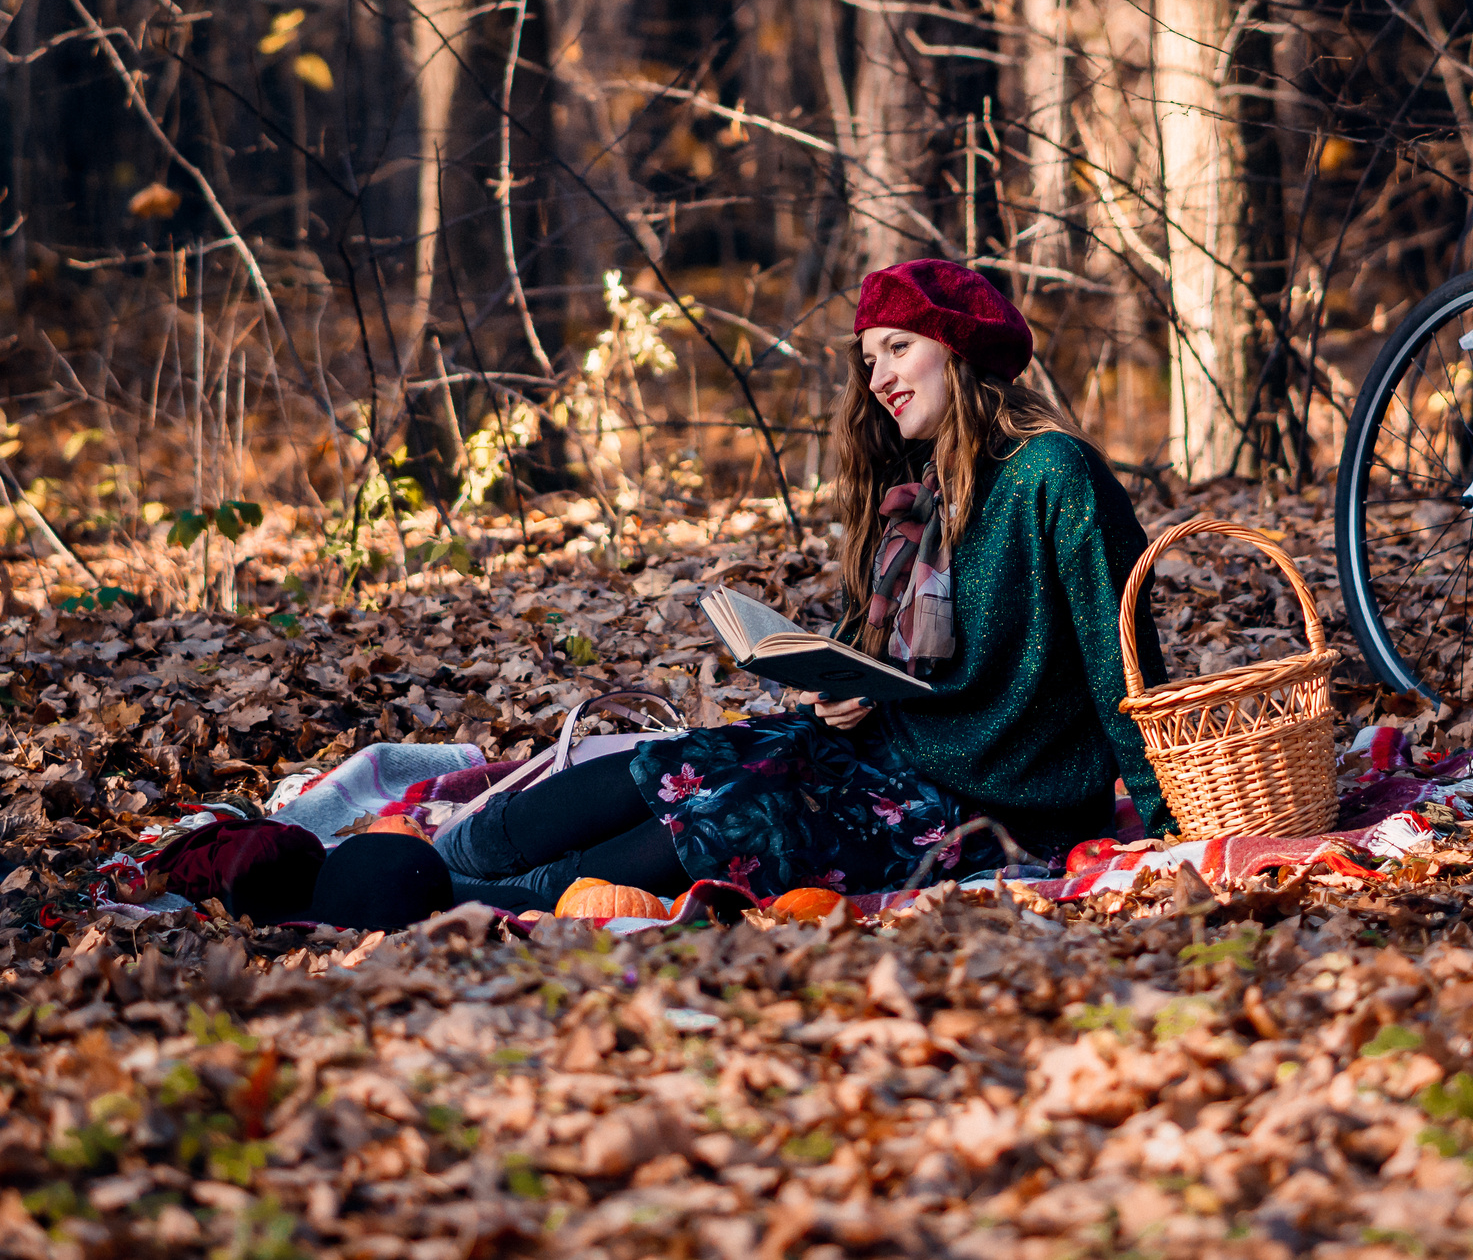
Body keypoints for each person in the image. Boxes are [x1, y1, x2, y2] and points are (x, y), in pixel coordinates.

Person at [432, 259, 1174, 912]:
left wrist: (1169, 825)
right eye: (869, 357)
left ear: (958, 349)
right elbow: (876, 643)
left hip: (1000, 805)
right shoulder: (919, 489)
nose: (879, 377)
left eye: (898, 348)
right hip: (895, 749)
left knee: (748, 809)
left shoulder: (1055, 473)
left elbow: (1126, 664)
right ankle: (453, 857)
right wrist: (840, 690)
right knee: (699, 757)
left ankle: (495, 899)